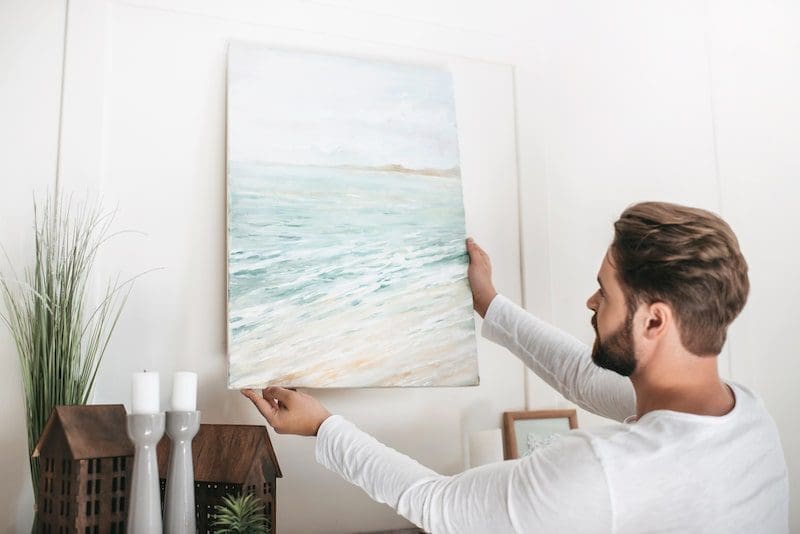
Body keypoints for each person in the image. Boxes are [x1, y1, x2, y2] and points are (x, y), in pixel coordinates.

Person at [242, 201, 789, 533]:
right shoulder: (745, 417)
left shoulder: (607, 474)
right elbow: (584, 376)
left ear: (654, 322)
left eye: (606, 291)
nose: (591, 303)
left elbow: (438, 507)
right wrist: (490, 305)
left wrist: (322, 427)